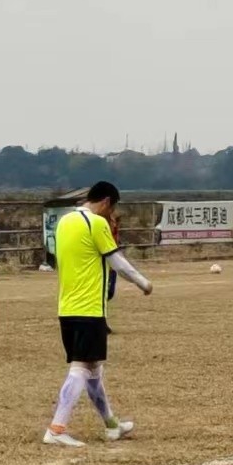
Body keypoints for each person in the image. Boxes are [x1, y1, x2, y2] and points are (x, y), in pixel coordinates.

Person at [45, 181, 152, 448]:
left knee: (93, 368)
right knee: (81, 367)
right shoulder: (96, 223)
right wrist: (143, 283)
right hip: (88, 308)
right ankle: (57, 428)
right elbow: (118, 263)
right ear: (105, 202)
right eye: (112, 208)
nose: (111, 215)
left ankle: (112, 425)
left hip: (66, 306)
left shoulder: (65, 221)